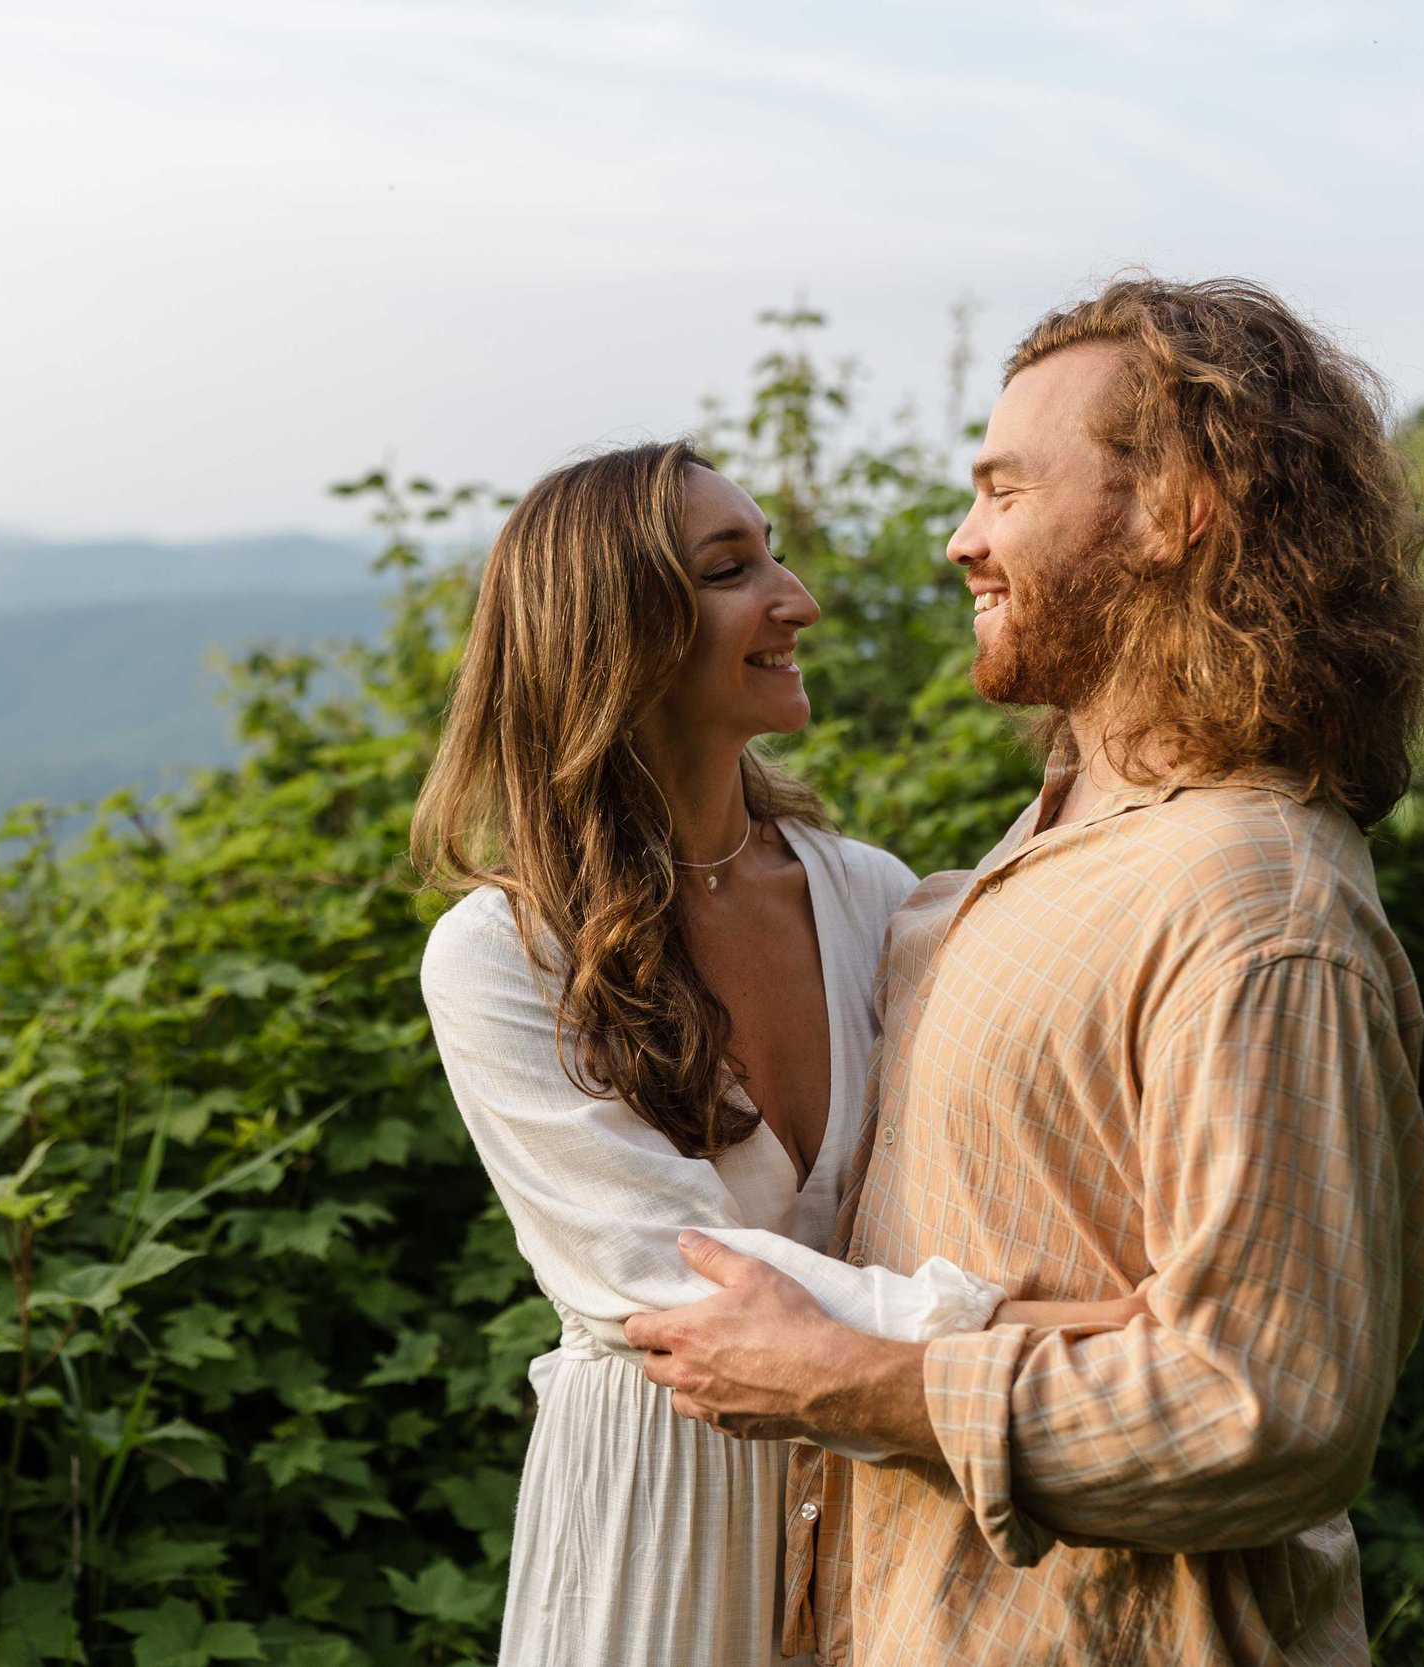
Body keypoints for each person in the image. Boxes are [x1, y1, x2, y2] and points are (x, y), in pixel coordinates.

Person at [625, 277, 1424, 1665]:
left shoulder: (1252, 901)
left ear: (1182, 507)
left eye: (1005, 491)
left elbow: (1269, 1410)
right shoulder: (1071, 836)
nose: (962, 539)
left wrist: (857, 1379)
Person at [414, 442, 1136, 1667]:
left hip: (892, 1483)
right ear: (615, 627)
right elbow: (671, 1282)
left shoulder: (871, 898)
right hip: (663, 1497)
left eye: (774, 554)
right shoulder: (502, 954)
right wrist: (1051, 1328)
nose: (795, 596)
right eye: (730, 568)